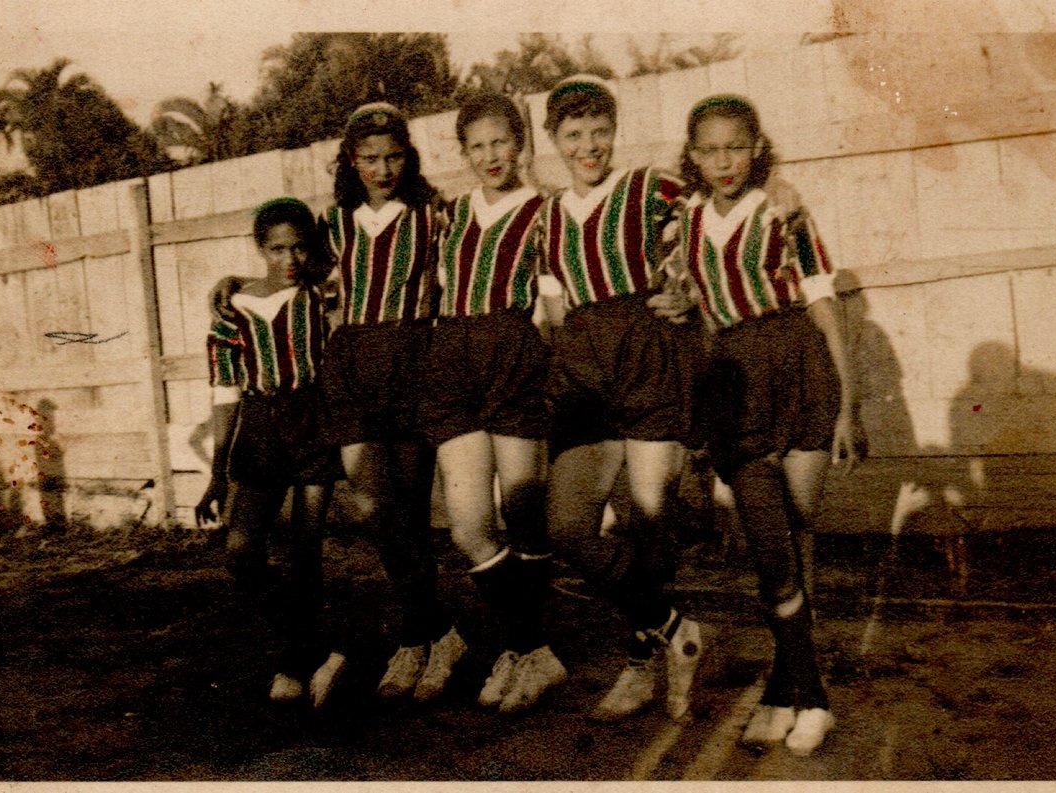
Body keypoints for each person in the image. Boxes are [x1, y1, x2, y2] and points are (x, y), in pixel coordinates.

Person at [212, 103, 461, 703]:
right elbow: (288, 268)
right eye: (370, 158)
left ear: (409, 157)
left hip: (411, 364)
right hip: (352, 371)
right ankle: (435, 631)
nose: (383, 169)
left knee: (408, 515)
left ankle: (421, 637)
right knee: (373, 508)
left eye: (394, 157)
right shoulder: (334, 223)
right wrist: (233, 283)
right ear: (352, 160)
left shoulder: (434, 215)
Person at [663, 94, 860, 755]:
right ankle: (813, 698)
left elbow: (825, 307)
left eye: (735, 147)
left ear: (756, 148)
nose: (724, 161)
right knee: (770, 549)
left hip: (800, 369)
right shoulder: (683, 220)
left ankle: (784, 690)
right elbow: (686, 299)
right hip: (735, 385)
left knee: (794, 537)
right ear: (692, 156)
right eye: (709, 149)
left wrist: (849, 404)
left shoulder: (785, 211)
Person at [537, 75, 705, 723]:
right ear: (554, 140)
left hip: (647, 356)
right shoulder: (547, 215)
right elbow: (551, 304)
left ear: (615, 132)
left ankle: (640, 666)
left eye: (599, 131)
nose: (588, 146)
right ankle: (677, 629)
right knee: (567, 526)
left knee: (648, 525)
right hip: (583, 367)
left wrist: (687, 292)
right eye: (573, 134)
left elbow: (713, 219)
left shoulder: (650, 187)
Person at [419, 92, 565, 713]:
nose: (490, 156)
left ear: (520, 143)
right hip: (454, 357)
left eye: (500, 142)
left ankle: (521, 650)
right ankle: (532, 647)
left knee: (524, 514)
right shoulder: (449, 214)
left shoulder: (545, 209)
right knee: (470, 527)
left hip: (513, 353)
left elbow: (558, 299)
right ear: (463, 153)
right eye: (476, 146)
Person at [195, 197, 346, 708]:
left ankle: (295, 662)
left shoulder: (321, 296)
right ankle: (314, 646)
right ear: (260, 249)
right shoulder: (232, 309)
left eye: (299, 247)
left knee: (306, 551)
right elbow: (225, 392)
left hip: (314, 421)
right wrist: (217, 474)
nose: (290, 259)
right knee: (241, 552)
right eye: (277, 249)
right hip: (261, 429)